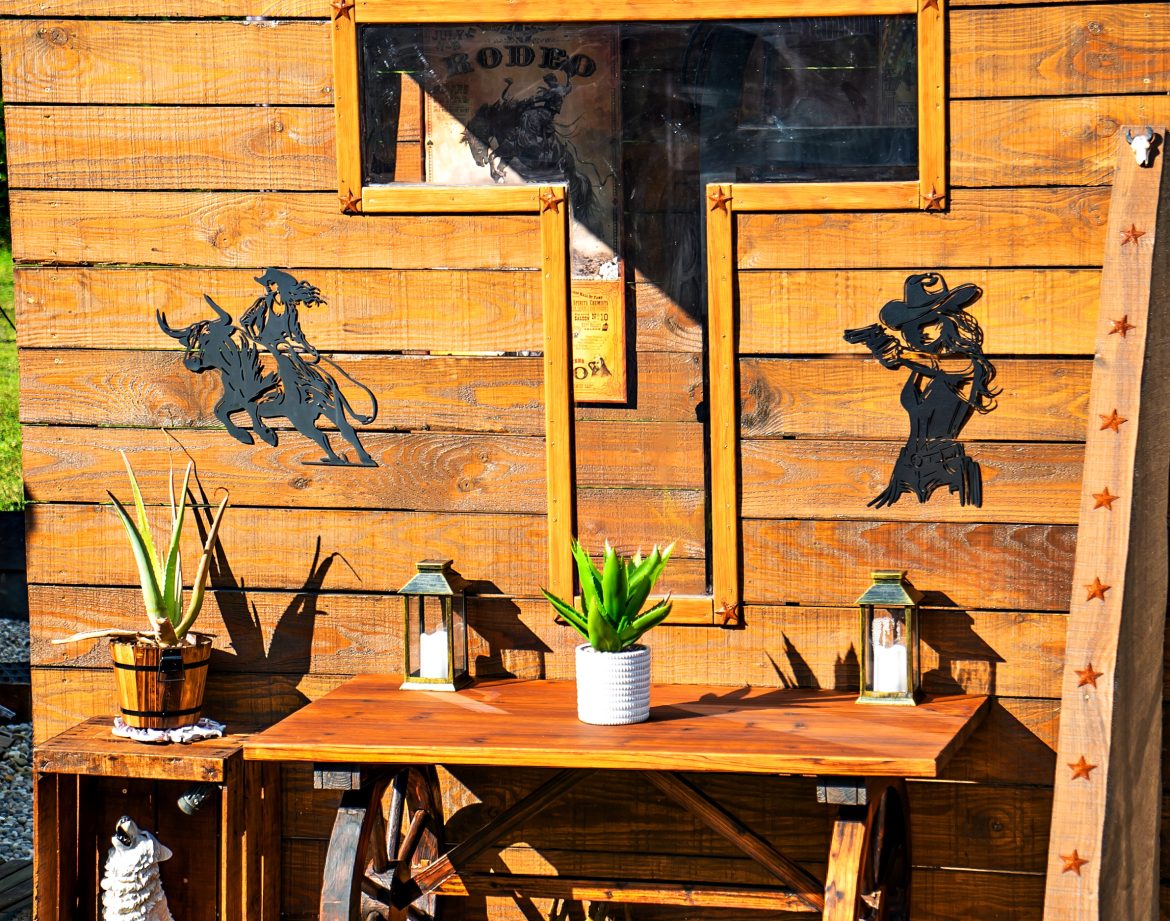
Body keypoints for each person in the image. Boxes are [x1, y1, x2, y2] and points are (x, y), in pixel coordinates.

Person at [843, 272, 999, 508]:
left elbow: (945, 368)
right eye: (913, 325)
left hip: (948, 466)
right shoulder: (919, 369)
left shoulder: (967, 363)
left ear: (949, 320)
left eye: (929, 321)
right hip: (907, 463)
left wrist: (901, 355)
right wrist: (889, 354)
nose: (920, 331)